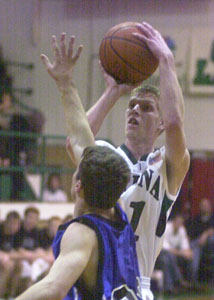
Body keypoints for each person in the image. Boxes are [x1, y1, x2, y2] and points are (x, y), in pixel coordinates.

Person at [64, 22, 190, 299]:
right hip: (98, 278)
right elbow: (75, 141)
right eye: (131, 106)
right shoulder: (107, 156)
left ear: (159, 124)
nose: (134, 111)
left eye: (145, 108)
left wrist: (166, 60)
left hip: (137, 282)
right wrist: (114, 92)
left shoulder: (168, 166)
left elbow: (176, 122)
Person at [15, 33, 142, 300]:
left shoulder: (83, 233)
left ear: (78, 185)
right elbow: (81, 137)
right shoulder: (119, 217)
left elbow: (53, 288)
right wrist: (65, 83)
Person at [156, 214, 192, 295]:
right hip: (159, 254)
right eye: (178, 222)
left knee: (168, 259)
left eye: (181, 223)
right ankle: (179, 280)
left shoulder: (181, 229)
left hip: (173, 256)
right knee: (167, 257)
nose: (179, 224)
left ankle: (170, 287)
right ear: (173, 221)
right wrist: (182, 253)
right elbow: (165, 248)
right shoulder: (166, 227)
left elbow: (185, 246)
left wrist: (188, 252)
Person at [186, 198, 214, 283]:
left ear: (210, 207)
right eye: (202, 205)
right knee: (193, 253)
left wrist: (205, 234)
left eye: (206, 205)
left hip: (210, 244)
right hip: (197, 245)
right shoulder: (196, 220)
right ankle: (193, 282)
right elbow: (190, 234)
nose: (204, 207)